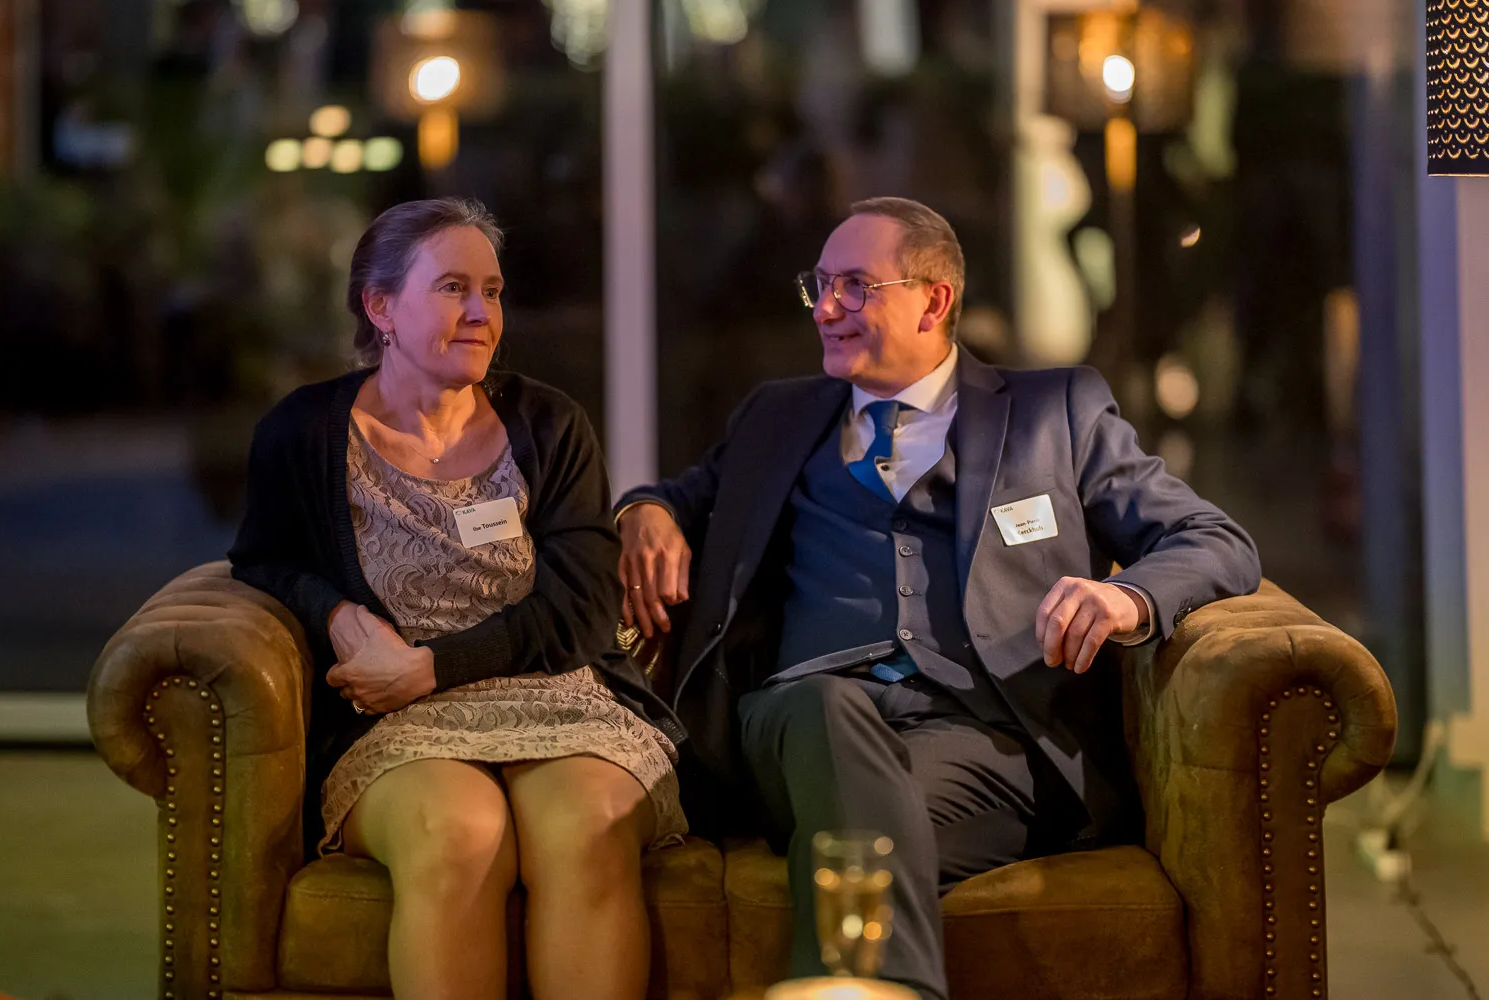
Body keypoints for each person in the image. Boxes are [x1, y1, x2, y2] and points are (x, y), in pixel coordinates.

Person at [616, 197, 1260, 1000]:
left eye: (855, 286)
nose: (825, 309)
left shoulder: (1054, 412)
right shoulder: (774, 417)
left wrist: (1128, 596)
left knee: (857, 820)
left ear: (934, 300)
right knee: (824, 709)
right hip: (796, 723)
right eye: (819, 284)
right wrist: (645, 510)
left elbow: (1215, 539)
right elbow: (676, 496)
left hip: (985, 744)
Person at [229, 198, 686, 1000]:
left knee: (586, 826)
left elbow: (584, 608)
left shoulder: (549, 423)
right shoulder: (303, 432)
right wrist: (336, 613)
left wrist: (430, 667)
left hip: (562, 694)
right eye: (453, 289)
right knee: (457, 831)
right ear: (381, 307)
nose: (482, 313)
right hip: (398, 721)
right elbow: (264, 561)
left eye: (493, 291)